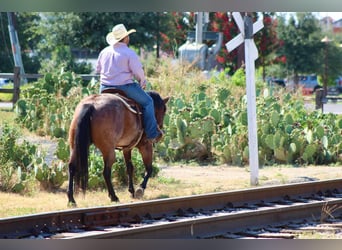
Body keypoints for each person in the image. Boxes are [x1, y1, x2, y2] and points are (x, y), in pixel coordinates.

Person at [96, 24, 163, 143]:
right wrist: (142, 81)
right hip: (125, 87)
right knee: (148, 102)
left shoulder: (104, 52)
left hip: (104, 88)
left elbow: (98, 70)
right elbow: (138, 71)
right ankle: (152, 134)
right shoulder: (129, 53)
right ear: (126, 38)